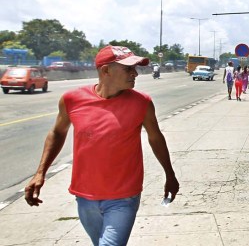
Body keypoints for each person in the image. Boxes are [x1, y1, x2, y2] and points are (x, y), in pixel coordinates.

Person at [24, 45, 180, 246]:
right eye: (128, 69)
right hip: (85, 196)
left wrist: (170, 174)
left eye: (135, 68)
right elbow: (57, 132)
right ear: (106, 71)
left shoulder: (142, 103)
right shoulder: (72, 100)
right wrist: (40, 172)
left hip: (124, 196)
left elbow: (155, 138)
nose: (135, 73)